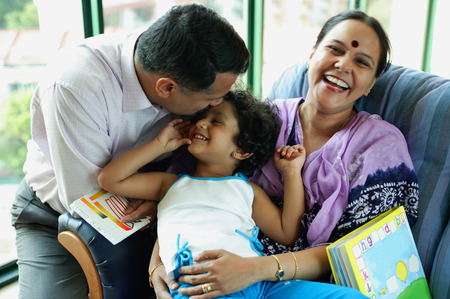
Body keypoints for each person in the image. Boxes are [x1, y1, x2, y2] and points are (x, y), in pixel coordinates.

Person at [148, 10, 419, 298]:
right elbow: (195, 191)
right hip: (214, 272)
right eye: (334, 49)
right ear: (312, 55)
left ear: (373, 82)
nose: (342, 64)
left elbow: (362, 249)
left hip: (300, 284)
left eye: (361, 62)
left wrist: (256, 269)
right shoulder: (266, 118)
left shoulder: (380, 146)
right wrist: (157, 265)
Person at [10, 3, 250, 299]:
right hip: (61, 210)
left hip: (157, 197)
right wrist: (168, 200)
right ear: (165, 87)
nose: (218, 105)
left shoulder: (179, 62)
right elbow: (90, 199)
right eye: (212, 98)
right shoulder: (76, 87)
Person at [99, 89, 365, 299]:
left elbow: (288, 232)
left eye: (216, 121)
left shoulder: (248, 191)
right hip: (201, 286)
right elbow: (110, 179)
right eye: (201, 117)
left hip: (260, 284)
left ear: (242, 150)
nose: (201, 123)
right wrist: (159, 145)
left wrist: (292, 174)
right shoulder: (168, 184)